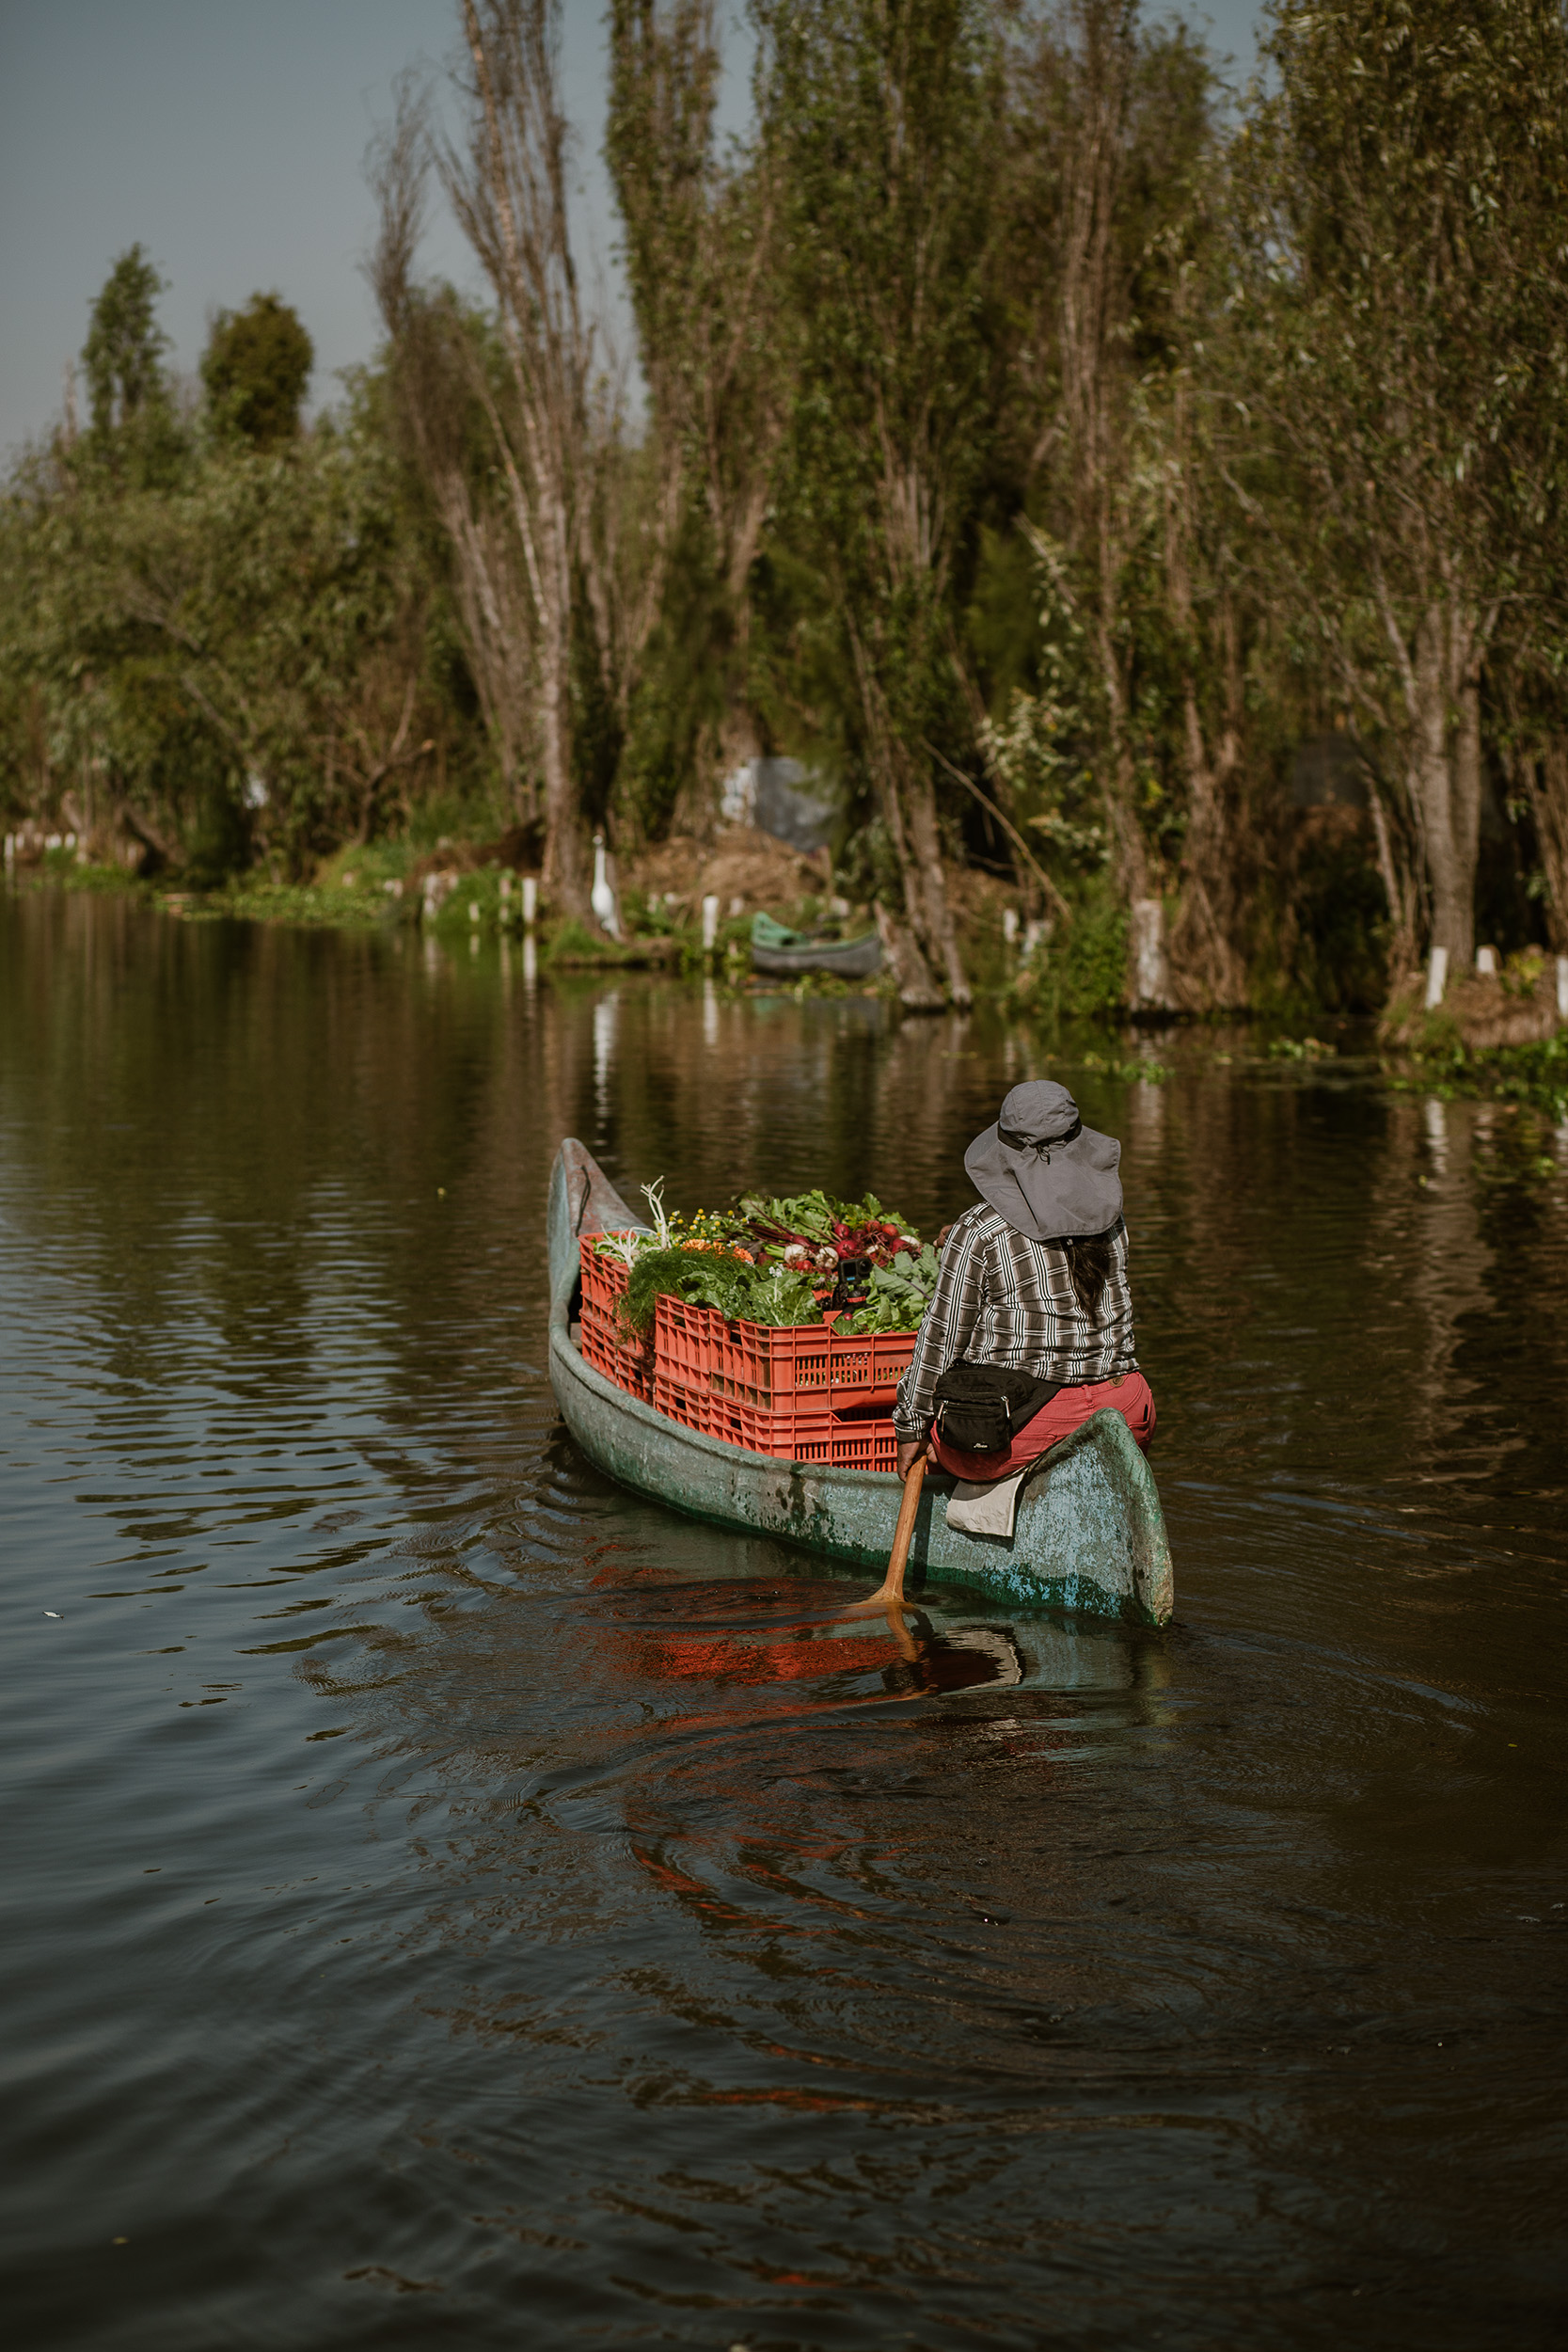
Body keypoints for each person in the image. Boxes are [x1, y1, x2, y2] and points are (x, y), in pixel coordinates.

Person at [893, 1079, 1155, 1485]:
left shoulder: (980, 1230)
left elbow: (941, 1340)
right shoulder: (1110, 1218)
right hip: (1127, 1407)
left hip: (1026, 1422)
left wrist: (911, 1426)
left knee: (942, 1432)